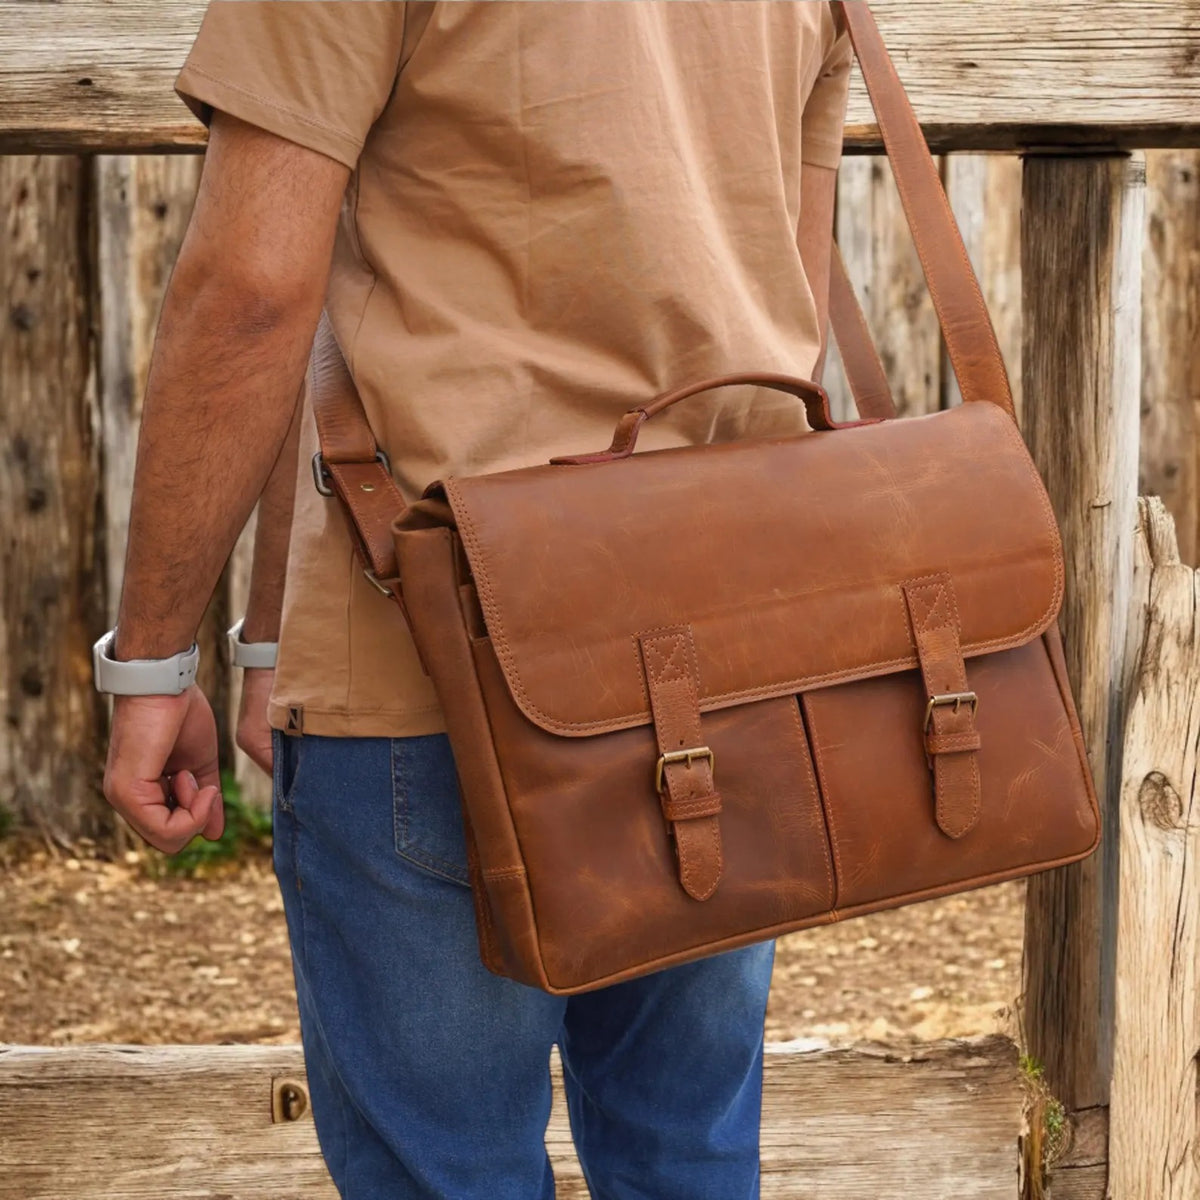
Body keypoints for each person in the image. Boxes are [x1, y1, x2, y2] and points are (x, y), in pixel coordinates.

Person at [96, 3, 853, 1195]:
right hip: (713, 657)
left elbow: (256, 286)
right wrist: (270, 632)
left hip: (435, 666)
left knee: (444, 1172)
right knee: (685, 1155)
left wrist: (149, 664)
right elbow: (772, 311)